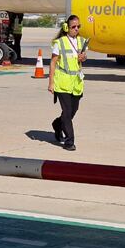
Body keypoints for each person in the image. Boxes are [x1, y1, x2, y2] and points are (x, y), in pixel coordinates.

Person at [49, 14, 88, 151]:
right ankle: (69, 141)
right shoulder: (59, 43)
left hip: (76, 83)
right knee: (67, 111)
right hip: (62, 82)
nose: (76, 29)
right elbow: (53, 63)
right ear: (67, 28)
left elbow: (81, 60)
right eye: (73, 27)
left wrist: (82, 58)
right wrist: (51, 83)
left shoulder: (82, 42)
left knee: (73, 110)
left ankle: (57, 124)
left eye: (78, 26)